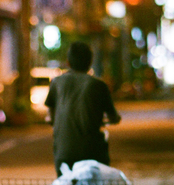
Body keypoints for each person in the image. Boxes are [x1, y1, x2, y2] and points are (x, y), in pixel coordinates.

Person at [44, 41, 121, 177]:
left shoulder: (56, 83)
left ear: (68, 62)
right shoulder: (99, 85)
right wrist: (112, 119)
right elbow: (113, 116)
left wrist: (53, 122)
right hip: (92, 154)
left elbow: (50, 111)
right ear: (90, 62)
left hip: (63, 154)